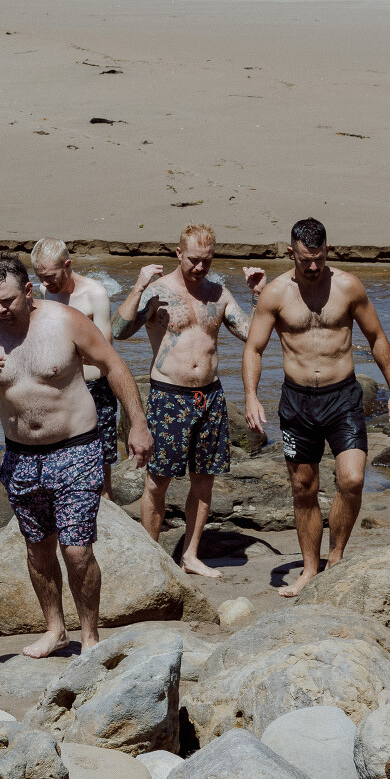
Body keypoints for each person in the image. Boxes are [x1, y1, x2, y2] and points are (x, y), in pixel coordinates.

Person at [0, 254, 150, 658]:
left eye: (8, 300)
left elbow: (113, 365)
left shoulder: (64, 321)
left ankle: (90, 637)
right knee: (37, 550)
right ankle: (55, 630)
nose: (0, 309)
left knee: (76, 551)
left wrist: (138, 424)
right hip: (20, 457)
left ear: (28, 291)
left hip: (76, 449)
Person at [243, 218, 390, 596]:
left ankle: (335, 559)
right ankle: (309, 570)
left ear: (327, 250)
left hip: (342, 398)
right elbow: (254, 348)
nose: (314, 267)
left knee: (352, 479)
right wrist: (251, 396)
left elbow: (376, 337)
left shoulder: (348, 286)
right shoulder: (275, 294)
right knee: (304, 487)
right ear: (291, 253)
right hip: (297, 403)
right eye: (305, 260)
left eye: (319, 258)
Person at [114, 224, 263, 580]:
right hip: (169, 396)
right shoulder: (157, 293)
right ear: (179, 254)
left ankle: (191, 556)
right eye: (193, 259)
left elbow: (253, 335)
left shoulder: (219, 294)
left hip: (210, 396)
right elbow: (118, 332)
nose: (199, 267)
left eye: (206, 260)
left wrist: (258, 295)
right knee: (158, 482)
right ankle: (152, 557)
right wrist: (138, 286)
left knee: (204, 480)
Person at [33, 239, 119, 491]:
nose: (46, 283)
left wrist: (63, 352)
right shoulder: (46, 291)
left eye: (50, 276)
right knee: (61, 455)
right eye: (40, 277)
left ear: (67, 265)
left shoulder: (95, 294)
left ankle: (106, 504)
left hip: (94, 388)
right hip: (60, 388)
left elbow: (104, 350)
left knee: (101, 459)